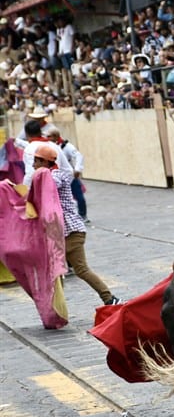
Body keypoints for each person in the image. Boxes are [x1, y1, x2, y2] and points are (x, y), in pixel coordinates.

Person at [28, 131, 122, 306]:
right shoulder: (48, 175)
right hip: (63, 232)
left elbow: (50, 186)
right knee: (67, 270)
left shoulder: (55, 176)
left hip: (70, 232)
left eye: (36, 161)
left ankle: (107, 298)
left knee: (68, 269)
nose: (33, 165)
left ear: (45, 162)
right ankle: (107, 298)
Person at [44, 126, 88, 223]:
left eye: (49, 136)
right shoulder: (49, 146)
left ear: (55, 136)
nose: (46, 138)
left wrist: (77, 169)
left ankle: (83, 215)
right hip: (57, 176)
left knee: (79, 196)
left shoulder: (67, 146)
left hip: (69, 176)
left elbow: (78, 156)